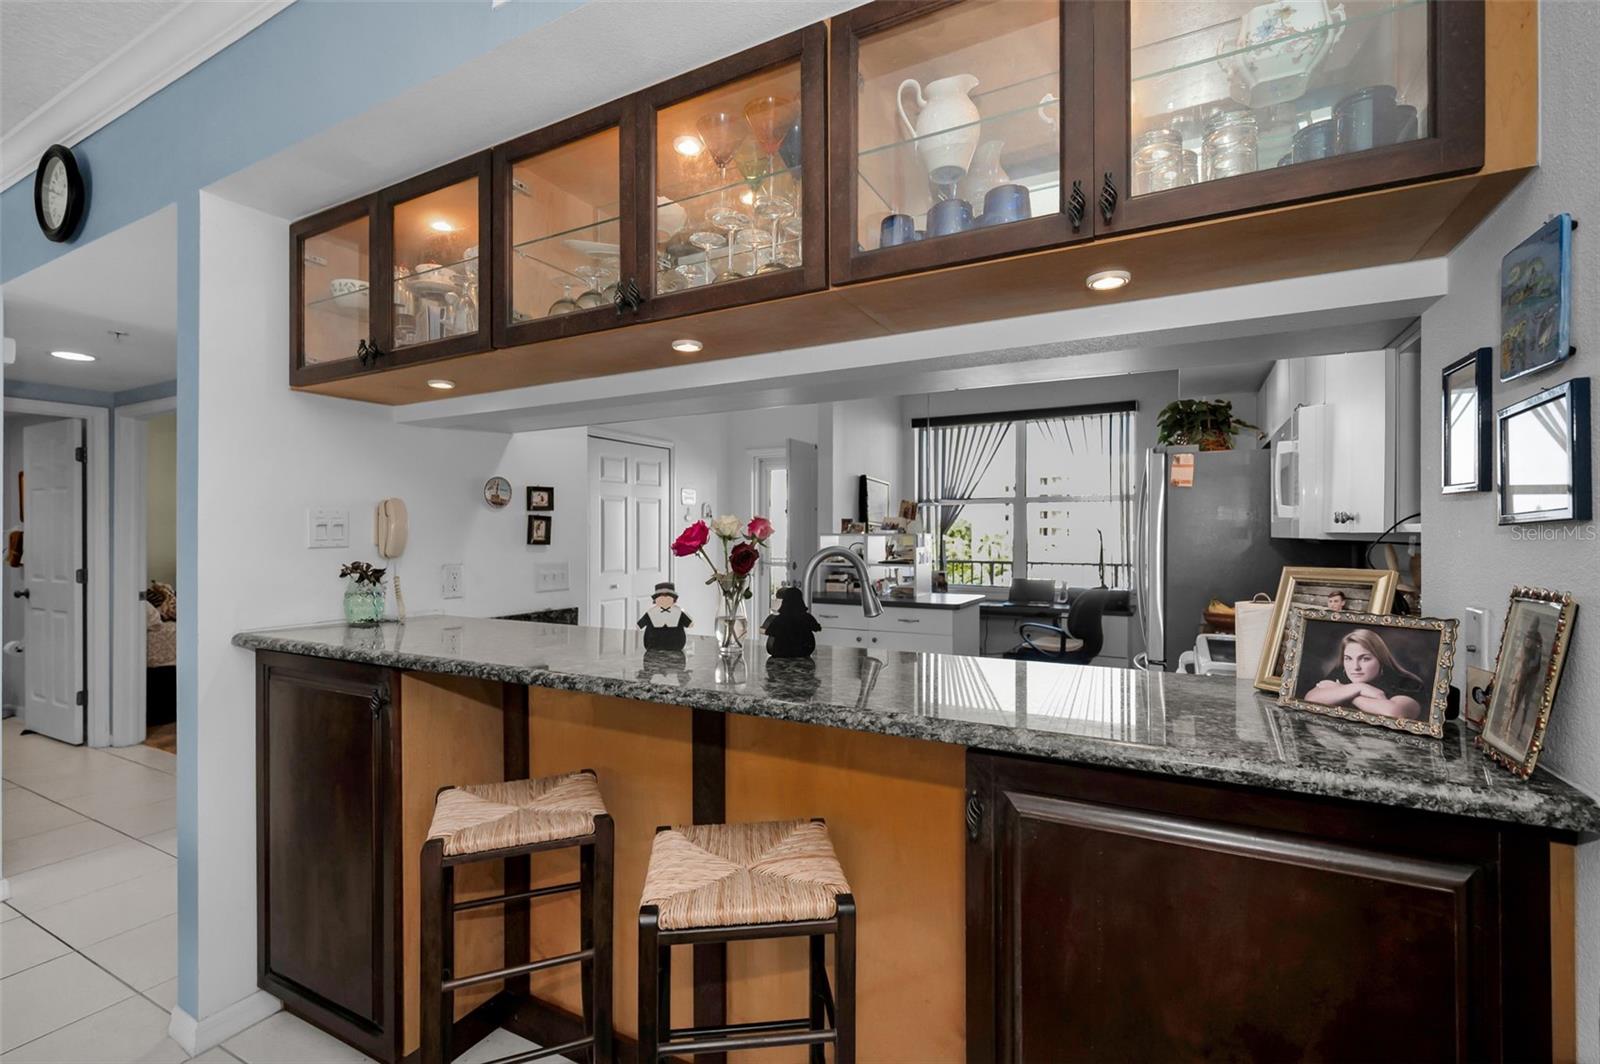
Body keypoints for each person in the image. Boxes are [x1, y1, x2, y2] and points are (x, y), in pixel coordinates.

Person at [1305, 628, 1425, 720]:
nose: (1355, 667)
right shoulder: (1342, 672)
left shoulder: (1407, 683)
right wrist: (1359, 688)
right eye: (1348, 658)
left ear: (1380, 659)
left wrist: (1345, 691)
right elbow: (1310, 699)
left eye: (1365, 659)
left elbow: (1394, 714)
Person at [1498, 624, 1546, 754]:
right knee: (1514, 703)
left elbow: (1534, 666)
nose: (1527, 641)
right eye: (1526, 639)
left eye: (1530, 639)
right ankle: (1508, 728)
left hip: (1528, 683)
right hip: (1519, 680)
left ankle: (1518, 731)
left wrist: (1525, 666)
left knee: (1524, 706)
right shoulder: (1524, 651)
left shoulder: (1536, 653)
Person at [762, 585, 822, 658]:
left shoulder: (780, 618)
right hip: (804, 650)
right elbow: (817, 628)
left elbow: (770, 631)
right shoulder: (806, 617)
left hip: (781, 651)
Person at [636, 581, 692, 651]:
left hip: (676, 644)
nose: (664, 600)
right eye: (661, 598)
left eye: (668, 598)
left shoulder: (678, 612)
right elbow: (640, 624)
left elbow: (689, 624)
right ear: (655, 599)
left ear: (674, 599)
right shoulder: (651, 612)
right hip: (653, 644)